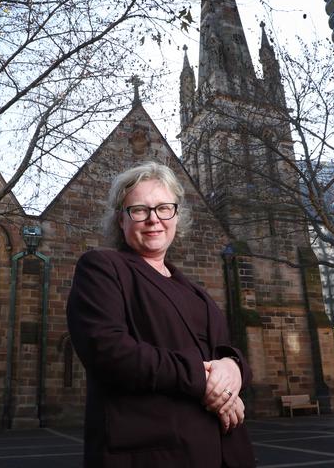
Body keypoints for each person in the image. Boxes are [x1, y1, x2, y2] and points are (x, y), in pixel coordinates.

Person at [66, 162, 256, 467]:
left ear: (176, 216)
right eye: (139, 210)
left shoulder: (196, 291)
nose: (154, 219)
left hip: (227, 453)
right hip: (153, 455)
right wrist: (203, 380)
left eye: (164, 208)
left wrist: (234, 369)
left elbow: (225, 349)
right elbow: (108, 351)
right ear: (121, 220)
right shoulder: (102, 268)